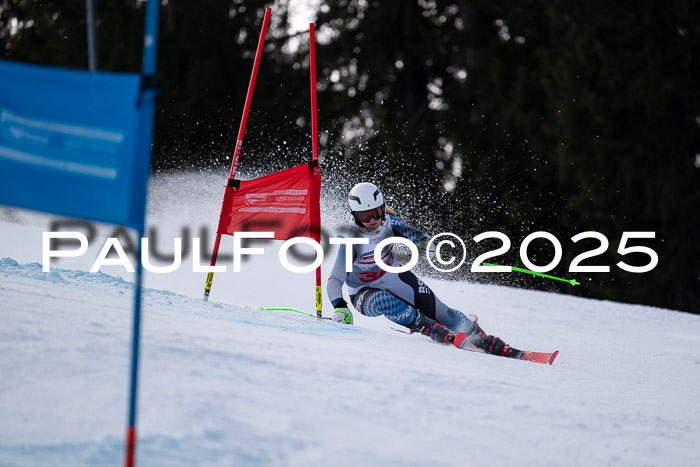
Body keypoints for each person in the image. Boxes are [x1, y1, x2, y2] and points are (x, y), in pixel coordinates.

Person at [327, 182, 522, 358]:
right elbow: (335, 280)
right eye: (366, 216)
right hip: (362, 292)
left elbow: (419, 237)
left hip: (392, 275)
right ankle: (429, 328)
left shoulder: (390, 224)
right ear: (354, 216)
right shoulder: (351, 241)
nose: (373, 220)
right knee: (383, 300)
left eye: (377, 212)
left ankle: (481, 338)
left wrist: (428, 247)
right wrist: (340, 306)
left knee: (444, 313)